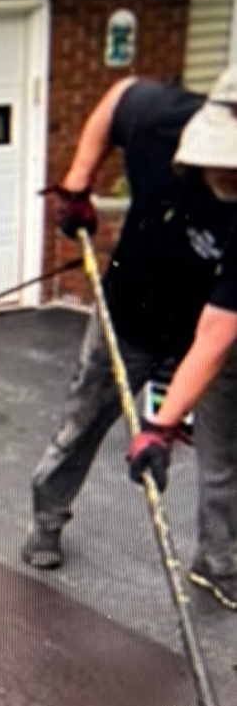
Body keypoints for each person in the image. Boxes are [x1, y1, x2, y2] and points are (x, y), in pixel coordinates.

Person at [23, 68, 237, 609]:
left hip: (211, 332)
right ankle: (47, 521)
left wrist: (160, 427)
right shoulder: (160, 120)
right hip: (132, 311)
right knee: (82, 423)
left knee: (225, 453)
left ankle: (218, 562)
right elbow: (116, 97)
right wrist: (77, 185)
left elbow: (215, 335)